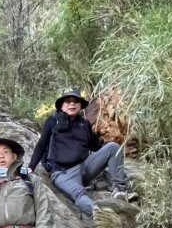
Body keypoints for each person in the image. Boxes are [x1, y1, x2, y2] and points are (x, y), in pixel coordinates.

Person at [28, 87, 138, 218]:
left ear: (80, 105)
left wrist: (111, 160)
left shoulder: (84, 124)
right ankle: (102, 217)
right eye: (67, 101)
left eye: (75, 101)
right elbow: (41, 144)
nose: (72, 104)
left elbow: (95, 146)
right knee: (79, 194)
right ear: (61, 106)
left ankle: (120, 190)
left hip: (84, 168)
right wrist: (30, 167)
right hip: (62, 172)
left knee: (113, 147)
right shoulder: (53, 120)